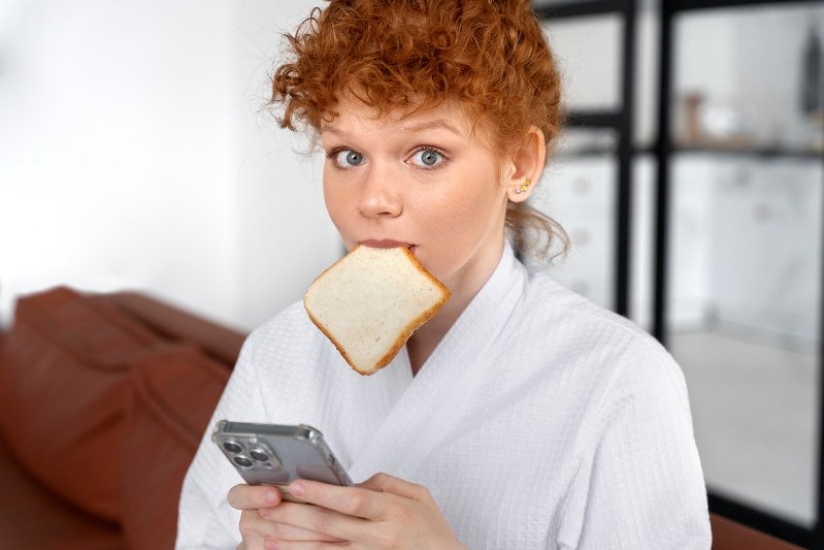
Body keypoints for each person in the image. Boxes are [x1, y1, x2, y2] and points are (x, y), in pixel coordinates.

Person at [176, 0, 711, 548]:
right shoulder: (279, 349)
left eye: (427, 155)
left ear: (520, 164)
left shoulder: (619, 379)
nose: (374, 200)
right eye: (348, 156)